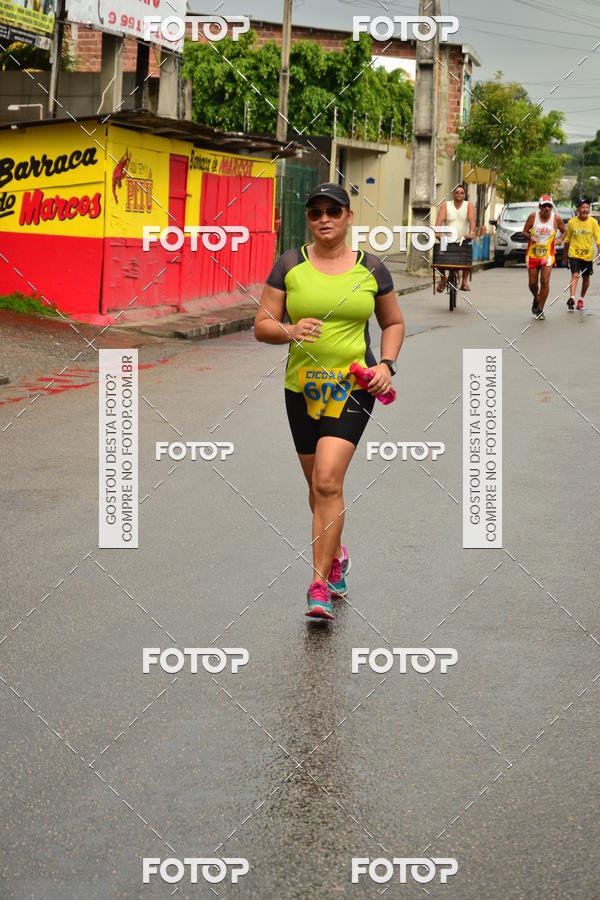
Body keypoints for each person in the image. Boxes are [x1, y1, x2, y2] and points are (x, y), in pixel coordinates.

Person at [254, 183, 405, 621]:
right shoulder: (290, 265)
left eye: (333, 211)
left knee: (326, 482)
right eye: (316, 211)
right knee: (317, 488)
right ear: (309, 218)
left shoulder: (371, 269)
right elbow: (262, 324)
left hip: (354, 387)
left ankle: (319, 583)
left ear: (348, 217)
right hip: (301, 389)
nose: (324, 218)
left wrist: (387, 366)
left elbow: (393, 322)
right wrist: (289, 330)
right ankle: (336, 555)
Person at [523, 195, 566, 320]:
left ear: (552, 207)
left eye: (549, 206)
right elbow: (524, 231)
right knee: (532, 284)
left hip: (547, 255)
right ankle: (536, 298)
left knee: (545, 281)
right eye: (544, 206)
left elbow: (564, 230)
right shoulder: (533, 216)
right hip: (532, 254)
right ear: (539, 207)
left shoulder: (556, 219)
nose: (547, 208)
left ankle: (540, 309)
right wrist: (530, 237)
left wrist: (560, 239)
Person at [434, 184, 476, 292]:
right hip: (447, 239)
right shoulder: (446, 206)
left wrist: (471, 233)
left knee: (467, 257)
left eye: (461, 193)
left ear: (464, 195)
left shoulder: (469, 206)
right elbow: (439, 220)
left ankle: (464, 282)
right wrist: (437, 232)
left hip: (463, 239)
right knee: (438, 257)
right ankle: (443, 278)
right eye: (457, 192)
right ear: (453, 194)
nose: (459, 194)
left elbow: (472, 221)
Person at [563, 198, 600, 310]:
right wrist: (565, 257)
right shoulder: (572, 222)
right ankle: (572, 298)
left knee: (586, 278)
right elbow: (567, 240)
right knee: (575, 275)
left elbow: (598, 240)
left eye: (587, 207)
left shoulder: (593, 223)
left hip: (588, 256)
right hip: (574, 254)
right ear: (578, 209)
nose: (585, 209)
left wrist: (599, 254)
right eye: (583, 207)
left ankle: (581, 298)